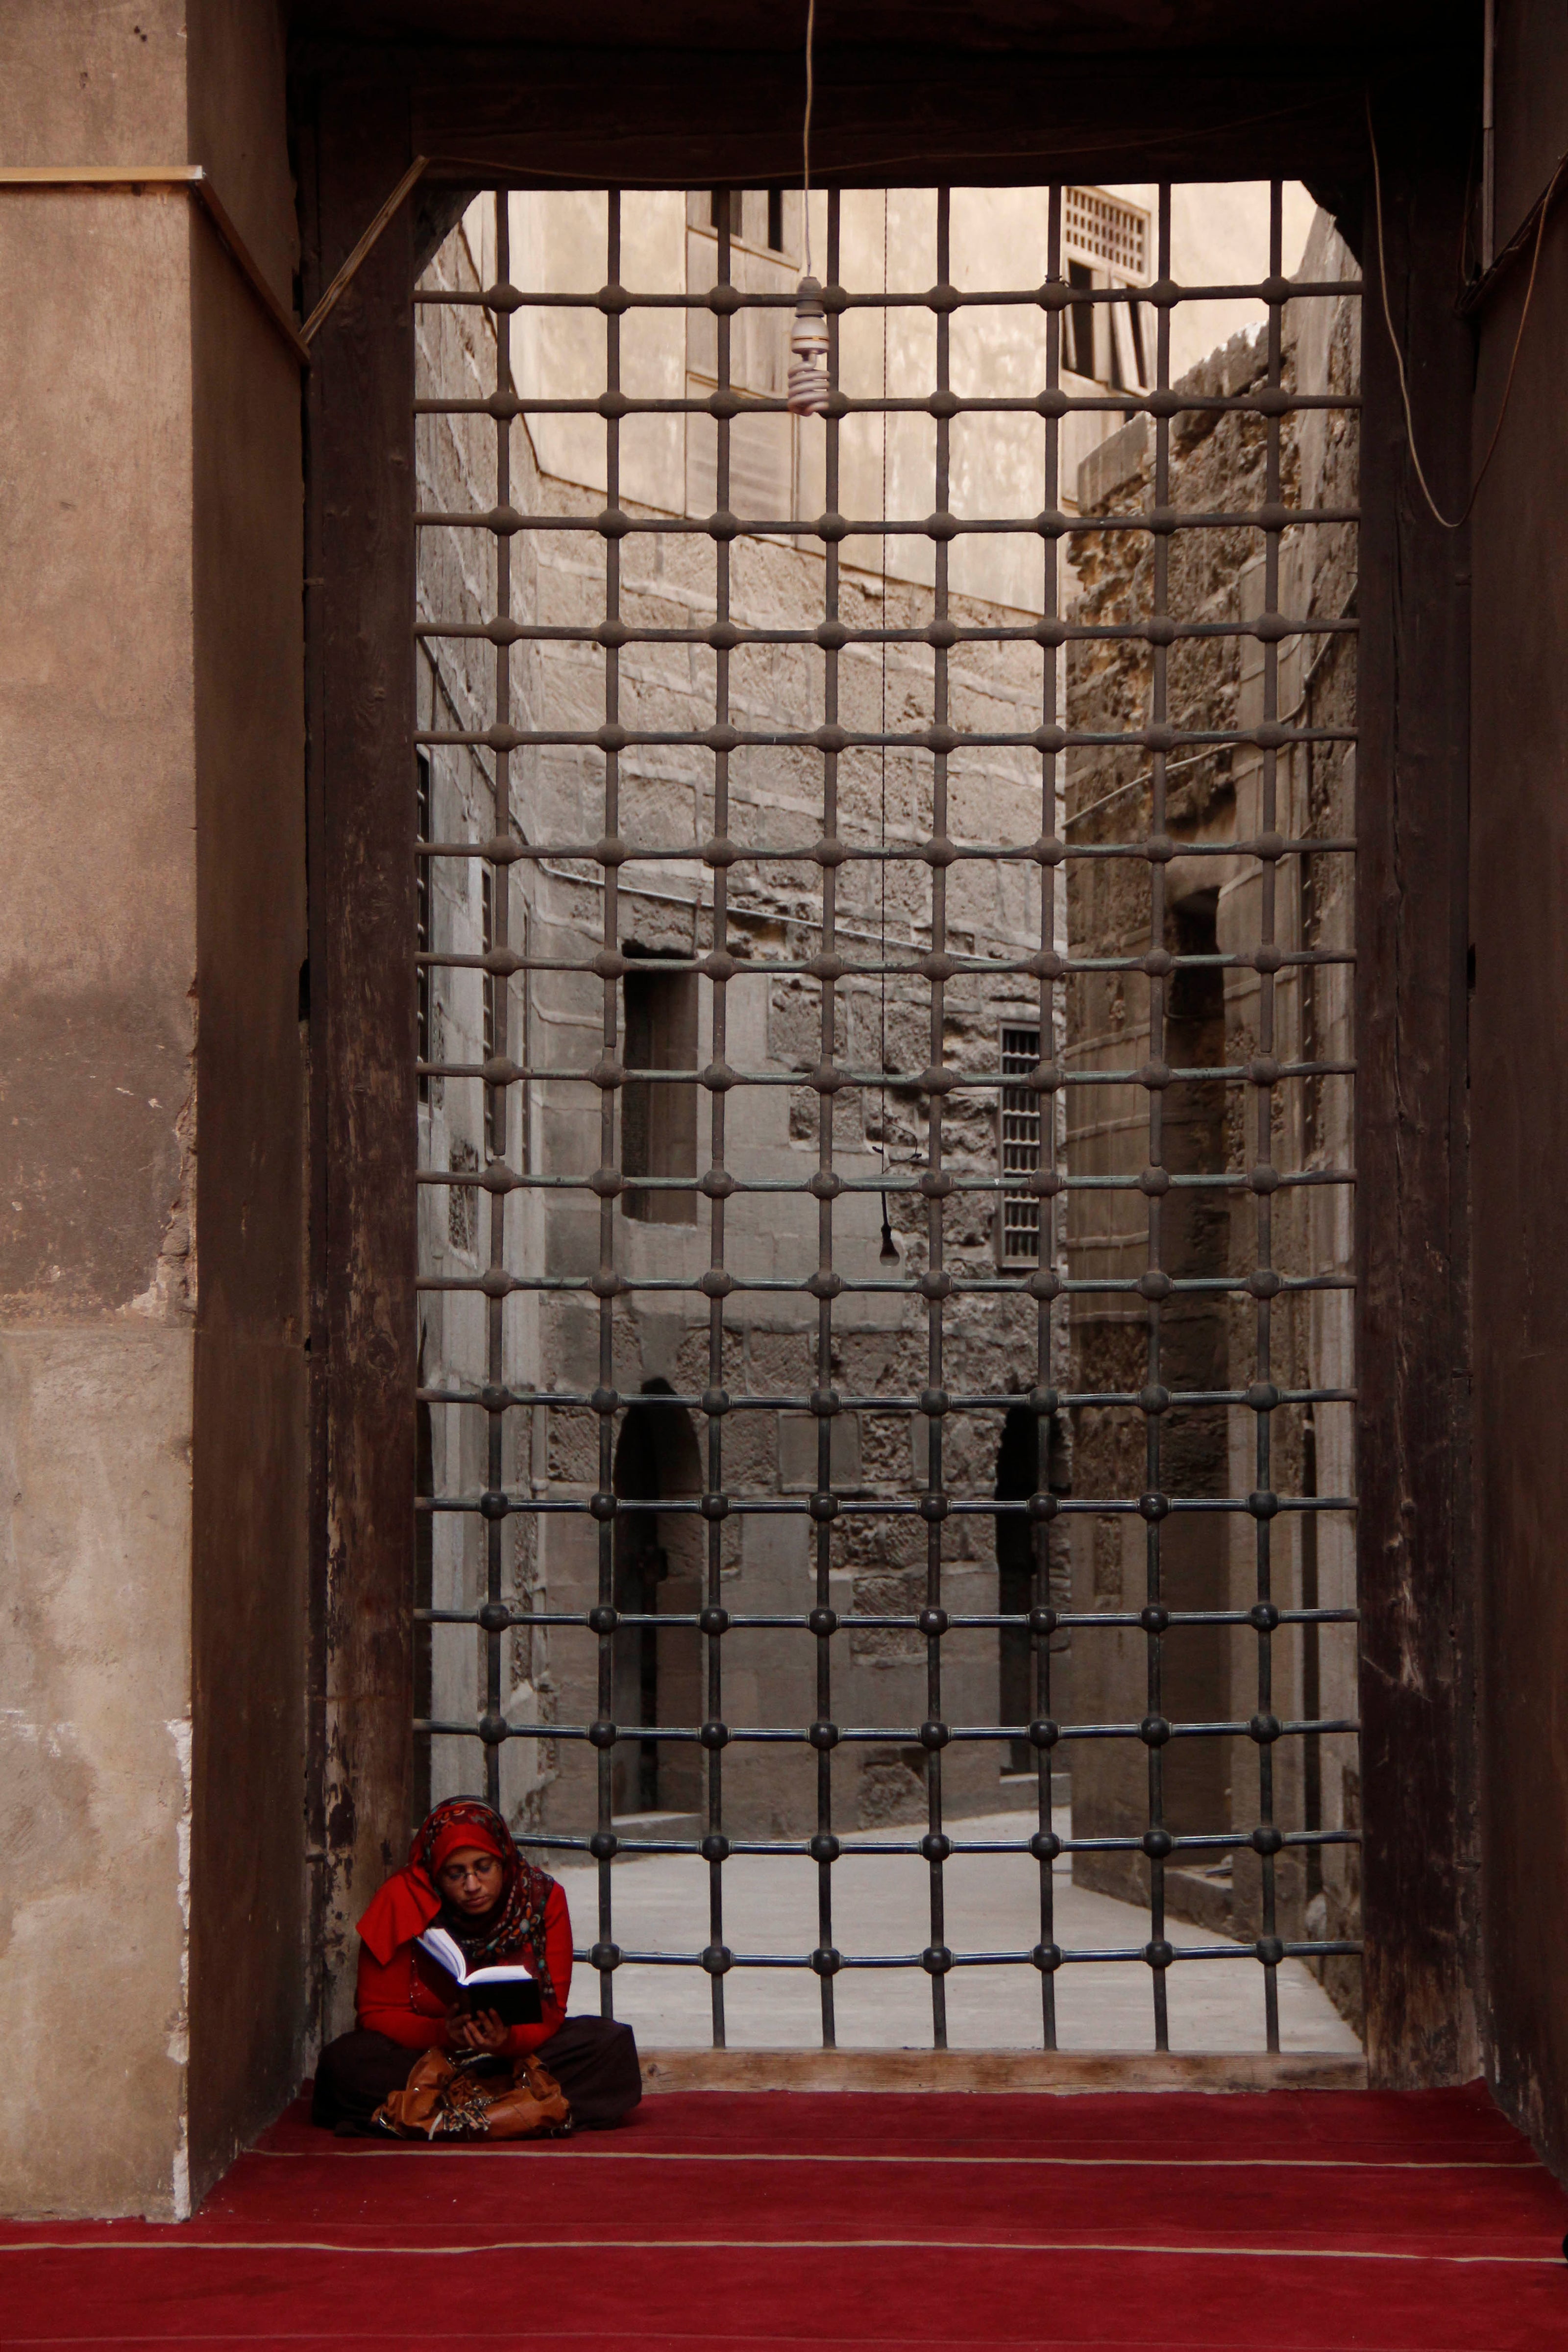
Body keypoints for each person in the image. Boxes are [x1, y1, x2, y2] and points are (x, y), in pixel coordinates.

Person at [312, 1796, 640, 2136]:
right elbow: (375, 2012)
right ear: (435, 1873)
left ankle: (439, 2113)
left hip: (516, 2056)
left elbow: (552, 2011)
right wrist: (445, 2034)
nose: (472, 1885)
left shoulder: (542, 1899)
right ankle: (515, 2109)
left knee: (609, 2045)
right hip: (429, 2057)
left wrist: (505, 2039)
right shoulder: (402, 1900)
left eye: (484, 1867)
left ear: (504, 1860)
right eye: (456, 1874)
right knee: (344, 2063)